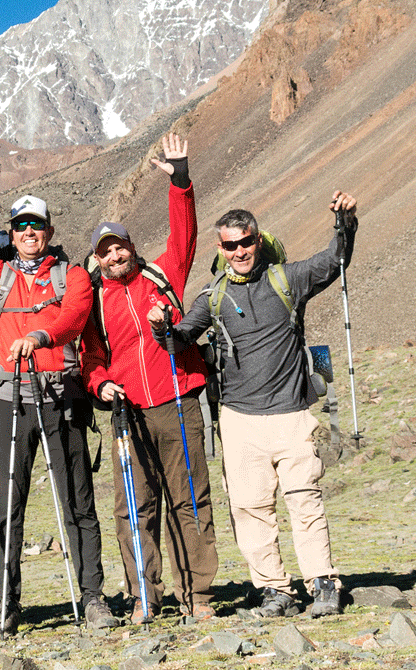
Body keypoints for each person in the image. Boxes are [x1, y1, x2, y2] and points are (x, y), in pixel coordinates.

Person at [148, 193, 357, 619]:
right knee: (249, 509)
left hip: (292, 414)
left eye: (246, 242)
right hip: (239, 421)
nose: (240, 251)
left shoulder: (288, 278)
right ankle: (275, 590)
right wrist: (162, 328)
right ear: (220, 249)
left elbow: (336, 260)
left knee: (305, 500)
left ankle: (322, 581)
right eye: (230, 245)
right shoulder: (213, 296)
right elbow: (180, 339)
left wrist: (345, 222)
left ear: (258, 240)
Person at [0, 153, 119, 634]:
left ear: (48, 230)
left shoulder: (74, 276)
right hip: (8, 399)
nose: (28, 232)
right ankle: (8, 603)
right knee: (8, 503)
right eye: (20, 225)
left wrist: (41, 338)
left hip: (60, 396)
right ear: (13, 230)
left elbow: (74, 319)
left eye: (36, 225)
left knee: (78, 502)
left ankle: (92, 597)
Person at [81, 133, 218, 624]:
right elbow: (91, 361)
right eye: (106, 251)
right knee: (135, 509)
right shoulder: (94, 302)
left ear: (133, 249)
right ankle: (145, 596)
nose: (115, 256)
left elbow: (185, 235)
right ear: (97, 259)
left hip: (179, 401)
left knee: (189, 497)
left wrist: (180, 180)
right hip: (128, 413)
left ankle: (197, 595)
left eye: (120, 247)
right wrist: (101, 386)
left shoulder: (162, 276)